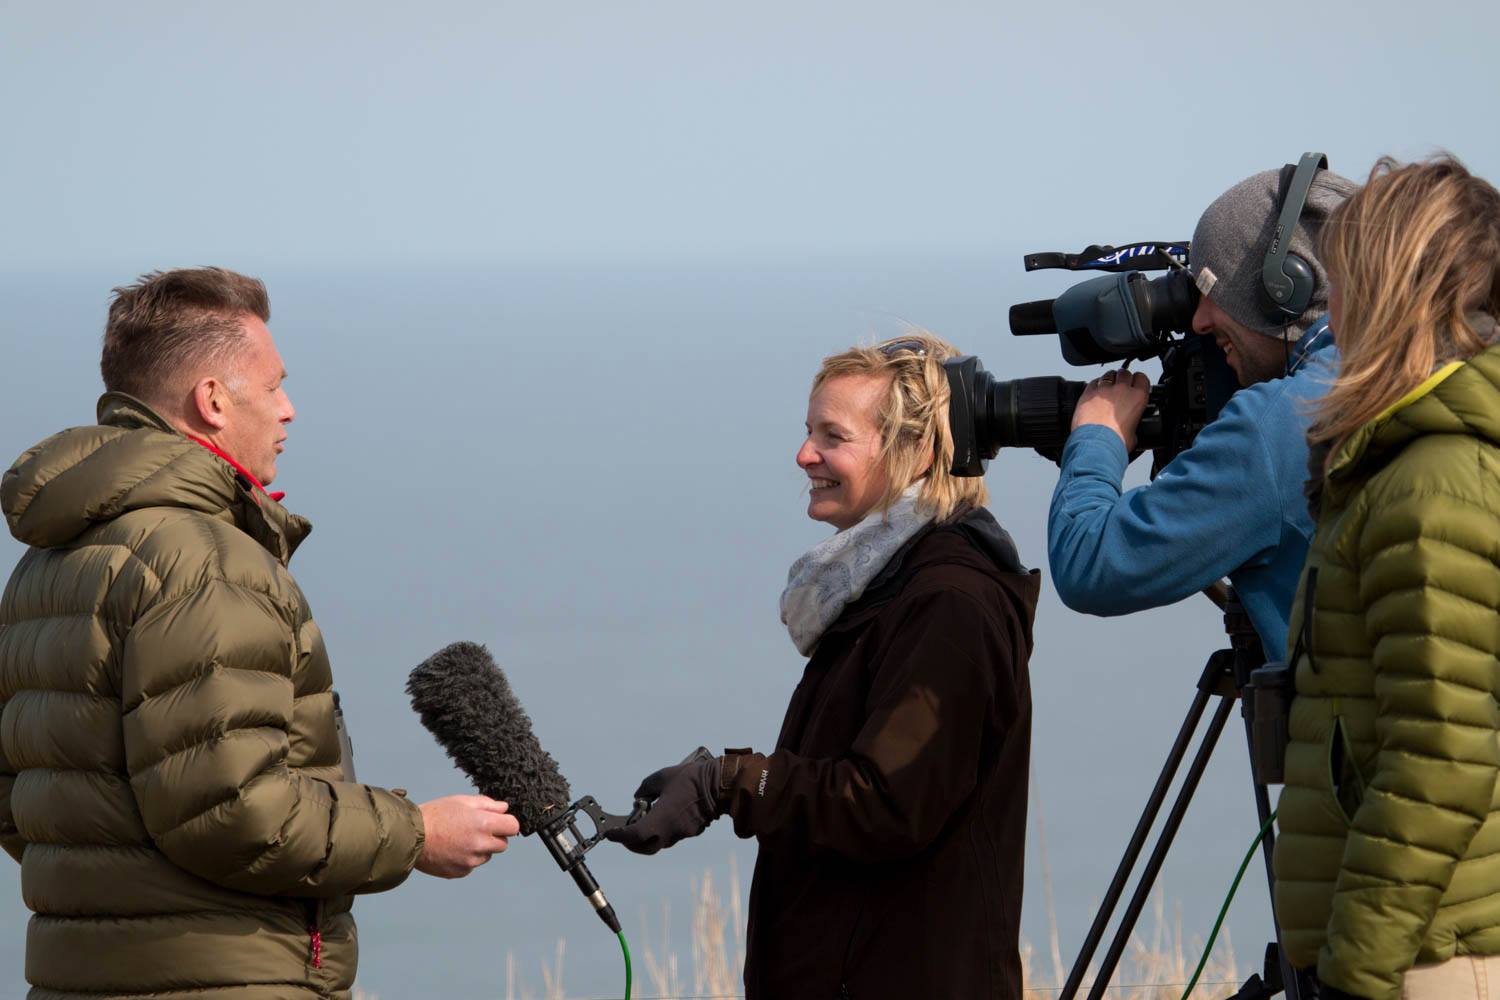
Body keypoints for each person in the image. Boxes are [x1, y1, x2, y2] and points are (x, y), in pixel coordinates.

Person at [0, 268, 518, 999]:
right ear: (212, 401)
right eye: (273, 386)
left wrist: (119, 892)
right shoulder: (206, 562)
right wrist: (416, 833)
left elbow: (23, 802)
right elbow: (232, 810)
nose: (289, 410)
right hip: (227, 976)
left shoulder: (48, 562)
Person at [605, 333, 1040, 999]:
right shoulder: (888, 588)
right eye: (809, 432)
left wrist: (728, 782)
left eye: (831, 436)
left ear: (918, 452)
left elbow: (884, 802)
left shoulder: (947, 605)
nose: (804, 455)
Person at [1274, 156, 1500, 1000]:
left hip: (1429, 960)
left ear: (1385, 292)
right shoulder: (1405, 465)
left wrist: (1354, 973)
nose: (1325, 312)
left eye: (1338, 286)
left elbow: (1440, 755)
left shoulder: (1432, 484)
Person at [1049, 159, 1356, 657]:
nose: (1198, 321)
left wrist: (1097, 437)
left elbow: (1090, 564)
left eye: (1210, 292)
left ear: (1285, 287)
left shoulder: (1282, 424)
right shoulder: (1431, 367)